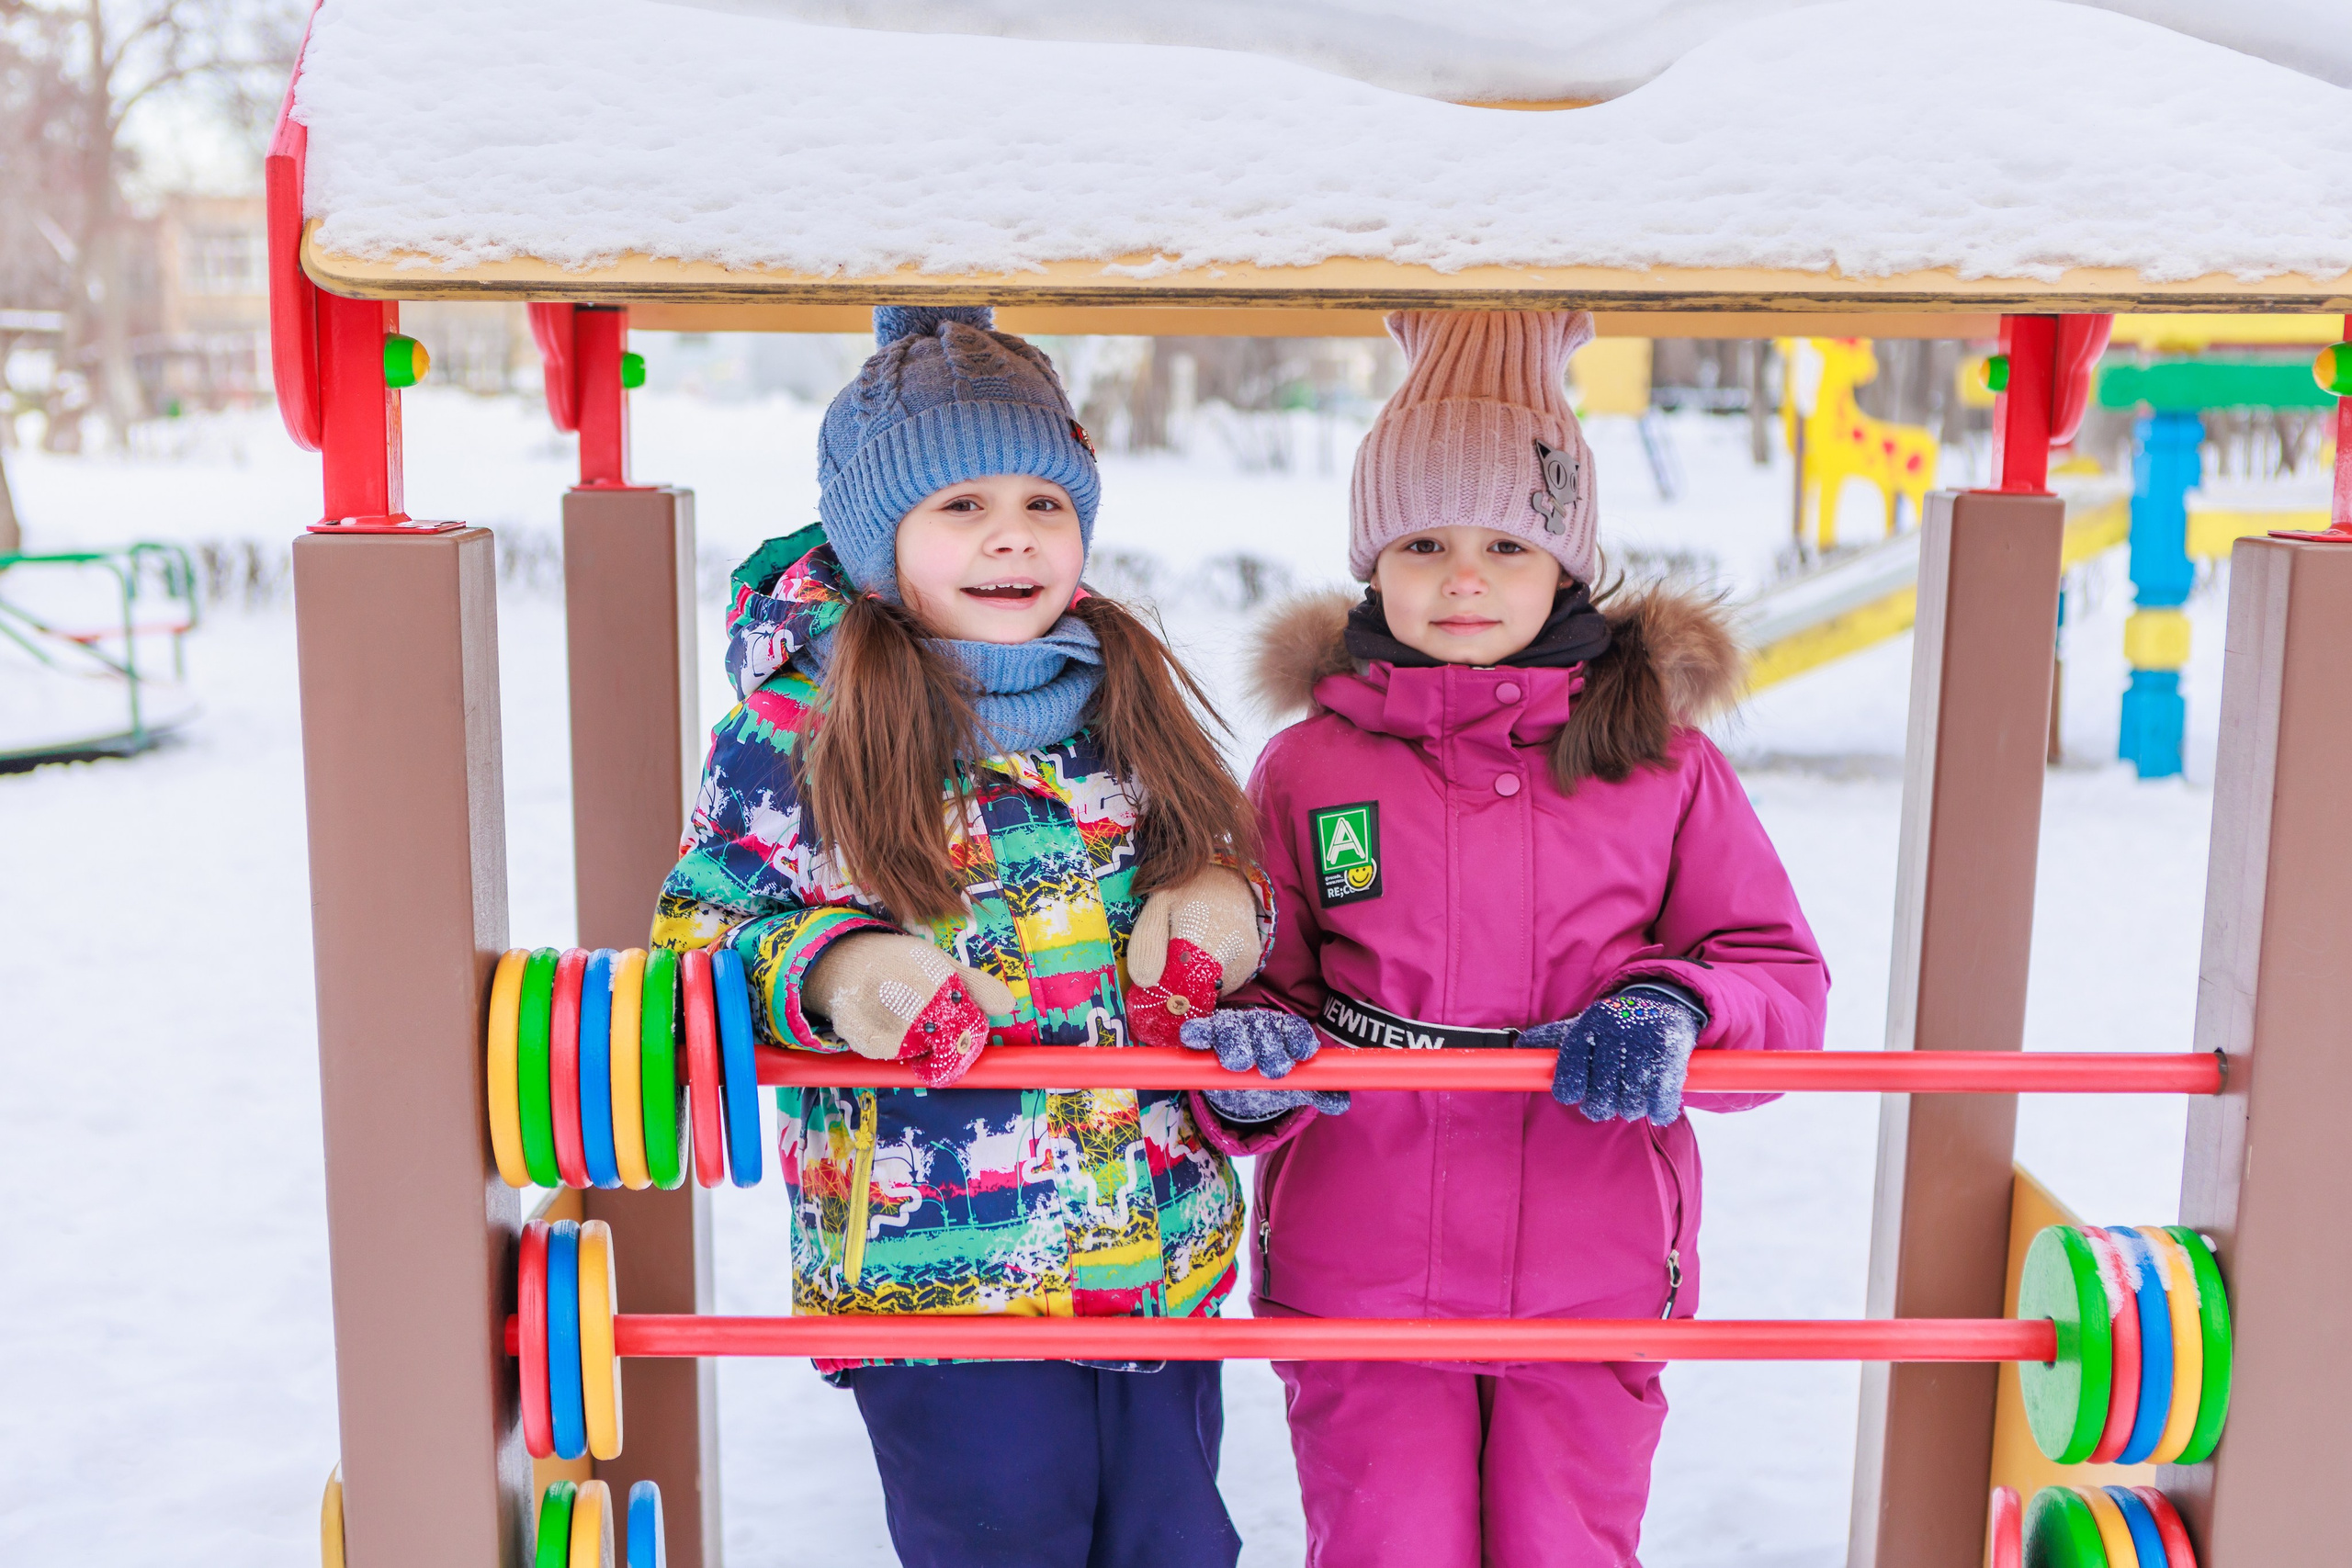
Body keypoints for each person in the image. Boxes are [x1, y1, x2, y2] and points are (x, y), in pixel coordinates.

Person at [653, 305, 1304, 1568]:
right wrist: (846, 974)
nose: (1011, 533)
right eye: (960, 505)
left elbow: (1212, 873)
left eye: (1044, 503)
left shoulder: (1120, 695)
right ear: (874, 534)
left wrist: (1218, 924)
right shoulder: (802, 729)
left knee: (1179, 1547)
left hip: (1157, 1252)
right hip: (945, 1276)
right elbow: (706, 934)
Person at [1182, 309, 1830, 1567]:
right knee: (1387, 1546)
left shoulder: (1660, 767)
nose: (1463, 577)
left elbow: (1775, 977)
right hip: (1363, 1268)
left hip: (1588, 1269)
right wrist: (1256, 1060)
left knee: (1568, 1548)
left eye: (1507, 543)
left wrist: (1677, 1010)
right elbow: (1258, 970)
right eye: (1423, 542)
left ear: (1567, 562)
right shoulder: (1311, 768)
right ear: (1374, 562)